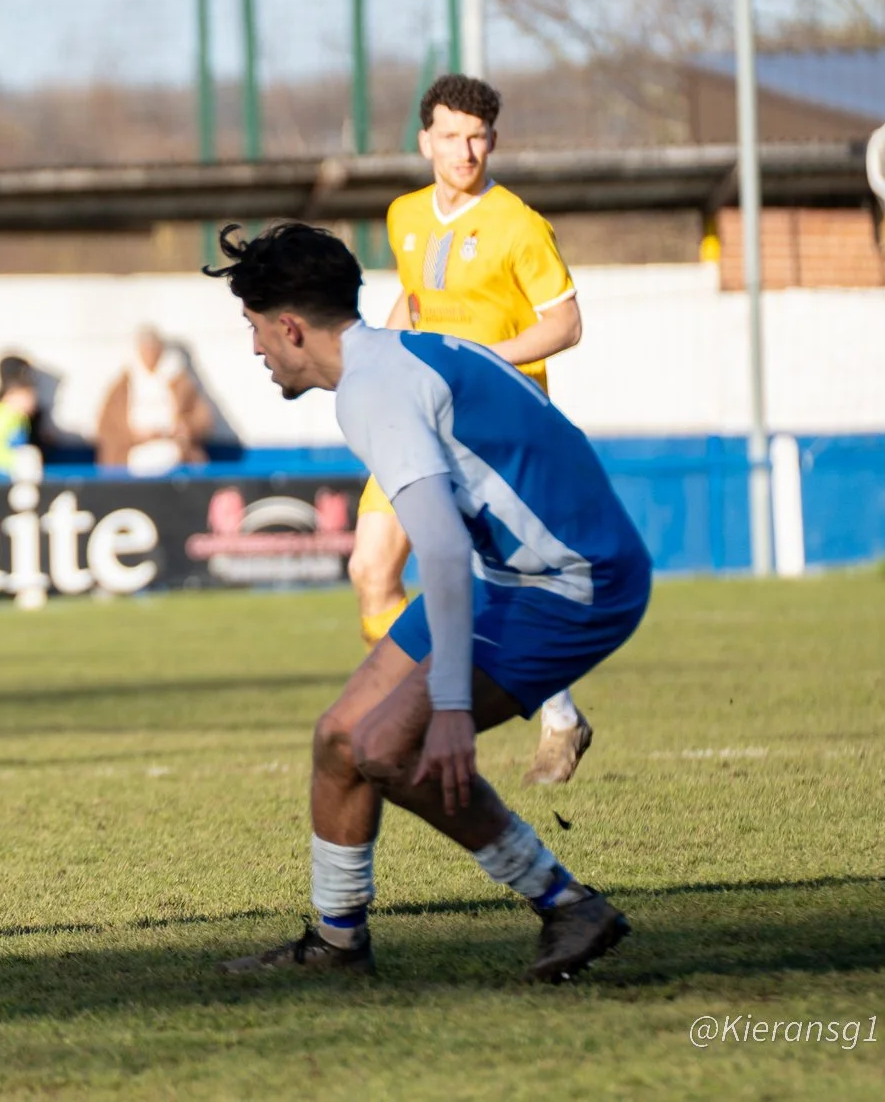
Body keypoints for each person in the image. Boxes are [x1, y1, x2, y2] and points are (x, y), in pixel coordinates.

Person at [206, 222, 648, 982]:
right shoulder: (412, 351)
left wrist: (447, 706)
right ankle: (338, 943)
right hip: (516, 570)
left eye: (253, 329)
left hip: (573, 582)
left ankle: (565, 901)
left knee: (387, 747)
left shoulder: (372, 390)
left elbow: (439, 549)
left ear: (289, 326)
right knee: (340, 735)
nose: (255, 349)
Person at [355, 74, 593, 786]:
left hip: (494, 427)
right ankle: (431, 698)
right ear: (425, 138)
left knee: (497, 584)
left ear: (494, 140)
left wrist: (484, 358)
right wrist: (377, 362)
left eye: (479, 136)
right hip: (416, 420)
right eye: (453, 135)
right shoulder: (404, 216)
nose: (466, 150)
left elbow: (566, 323)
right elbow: (416, 300)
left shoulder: (518, 224)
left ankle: (555, 713)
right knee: (371, 572)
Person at [95, 325, 213, 474]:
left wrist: (184, 428)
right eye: (145, 349)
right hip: (129, 456)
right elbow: (105, 427)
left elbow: (203, 419)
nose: (149, 354)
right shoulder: (123, 385)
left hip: (174, 451)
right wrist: (134, 435)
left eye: (153, 349)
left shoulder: (178, 380)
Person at [0, 373, 38, 474]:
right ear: (12, 394)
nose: (32, 402)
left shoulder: (21, 418)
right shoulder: (2, 415)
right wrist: (17, 460)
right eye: (28, 397)